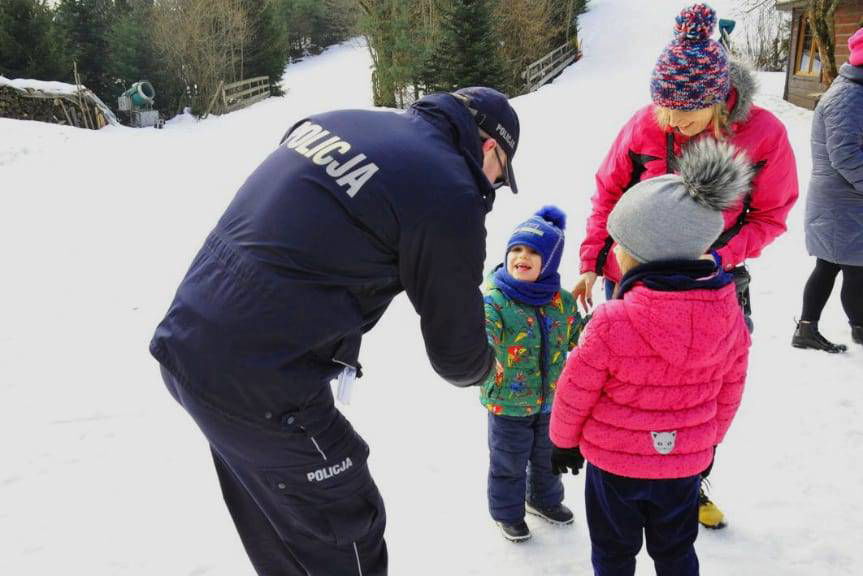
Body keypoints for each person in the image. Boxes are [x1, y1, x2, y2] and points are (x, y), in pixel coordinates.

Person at [149, 86, 520, 575]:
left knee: (286, 532)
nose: (492, 185)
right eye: (500, 174)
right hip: (263, 384)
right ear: (490, 147)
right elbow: (456, 353)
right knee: (347, 528)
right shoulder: (451, 190)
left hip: (187, 342)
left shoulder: (340, 120)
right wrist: (489, 366)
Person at [571, 3, 797, 529]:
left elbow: (771, 216)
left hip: (710, 283)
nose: (672, 122)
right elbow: (609, 196)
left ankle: (689, 480)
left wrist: (715, 256)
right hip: (631, 277)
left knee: (697, 393)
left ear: (719, 99)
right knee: (625, 384)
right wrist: (592, 260)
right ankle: (620, 474)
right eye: (665, 111)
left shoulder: (762, 136)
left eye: (686, 114)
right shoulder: (644, 125)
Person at [550, 138, 752, 576]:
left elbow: (575, 389)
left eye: (620, 245)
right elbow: (731, 388)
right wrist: (709, 439)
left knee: (613, 552)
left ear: (640, 253)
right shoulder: (729, 314)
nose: (615, 253)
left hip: (613, 466)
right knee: (676, 551)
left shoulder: (611, 321)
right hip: (683, 467)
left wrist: (561, 442)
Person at [481, 206, 586, 542]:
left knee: (547, 458)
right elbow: (482, 332)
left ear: (550, 262)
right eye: (516, 249)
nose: (521, 257)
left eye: (532, 252)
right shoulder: (495, 302)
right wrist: (480, 346)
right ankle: (507, 514)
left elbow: (579, 338)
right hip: (507, 403)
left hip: (551, 401)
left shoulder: (562, 301)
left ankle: (544, 500)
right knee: (508, 463)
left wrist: (602, 325)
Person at [792, 27, 863, 353]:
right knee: (853, 267)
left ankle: (808, 329)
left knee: (834, 265)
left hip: (845, 199)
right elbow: (845, 155)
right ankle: (857, 327)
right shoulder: (847, 97)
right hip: (841, 201)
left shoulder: (855, 90)